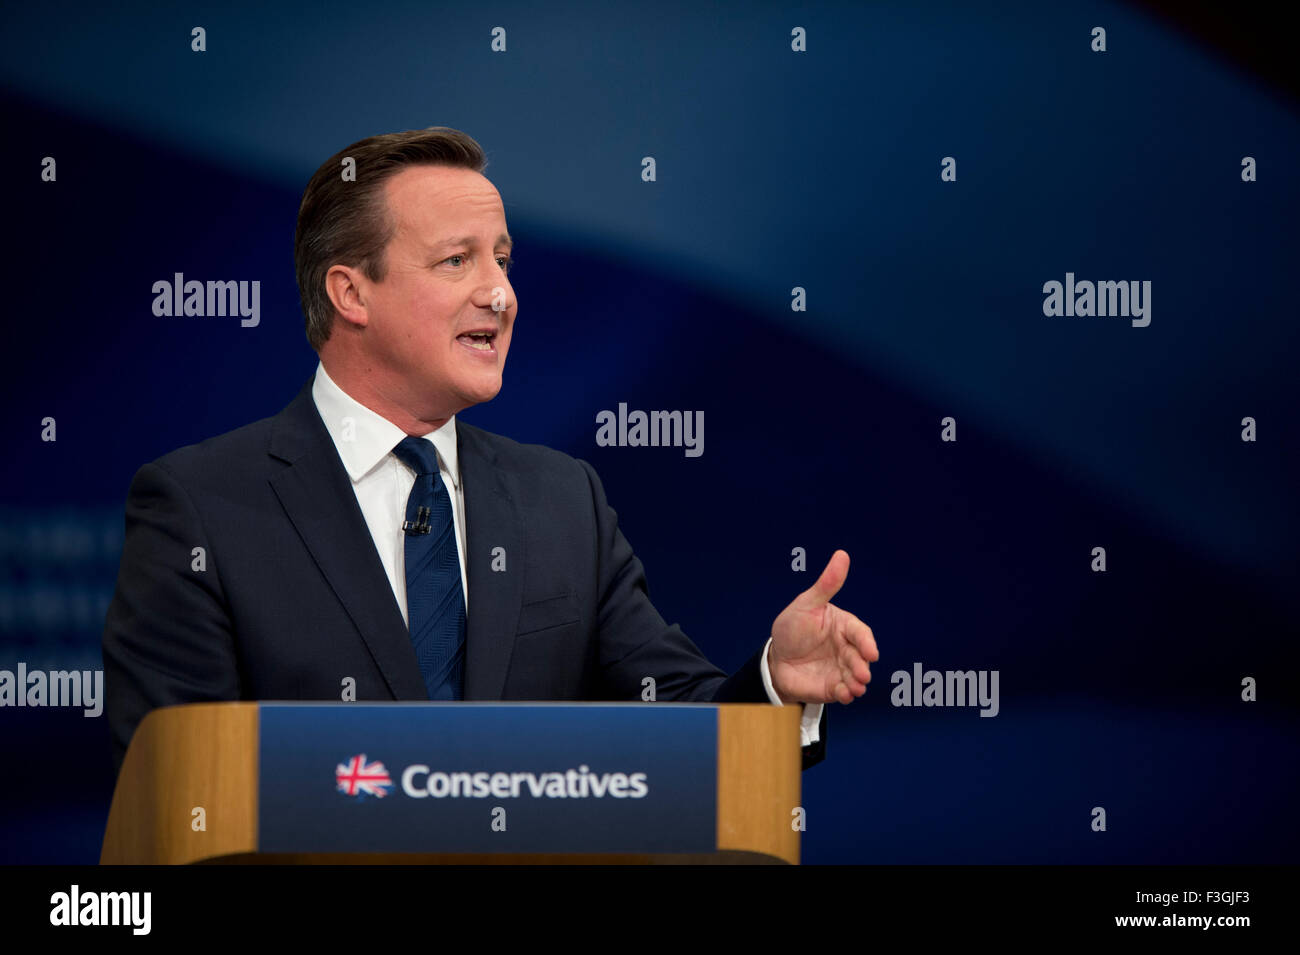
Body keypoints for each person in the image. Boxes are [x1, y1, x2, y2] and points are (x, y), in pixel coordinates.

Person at [102, 127, 879, 776]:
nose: (500, 293)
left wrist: (777, 681)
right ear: (351, 292)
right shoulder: (201, 507)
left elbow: (681, 733)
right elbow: (177, 794)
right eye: (457, 261)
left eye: (502, 259)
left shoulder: (562, 500)